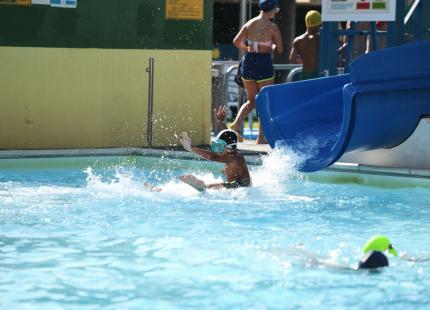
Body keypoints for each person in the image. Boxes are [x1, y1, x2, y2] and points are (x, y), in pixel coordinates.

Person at [229, 0, 283, 144]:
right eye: (275, 11)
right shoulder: (273, 27)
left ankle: (236, 124)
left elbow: (236, 41)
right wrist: (270, 46)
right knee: (264, 100)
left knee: (252, 100)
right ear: (271, 10)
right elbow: (280, 49)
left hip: (248, 62)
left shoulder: (249, 24)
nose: (275, 14)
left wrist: (247, 48)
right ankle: (260, 138)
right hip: (263, 63)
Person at [180, 106, 251, 191]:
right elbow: (228, 135)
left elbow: (212, 156)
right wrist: (220, 121)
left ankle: (202, 187)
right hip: (234, 185)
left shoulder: (234, 158)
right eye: (216, 146)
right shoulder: (231, 150)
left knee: (207, 188)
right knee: (217, 186)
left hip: (241, 188)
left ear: (228, 148)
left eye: (219, 147)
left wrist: (191, 149)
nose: (217, 151)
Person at [289, 10, 322, 80]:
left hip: (305, 75)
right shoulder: (320, 39)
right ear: (317, 25)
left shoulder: (298, 40)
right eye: (320, 25)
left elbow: (292, 60)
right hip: (319, 75)